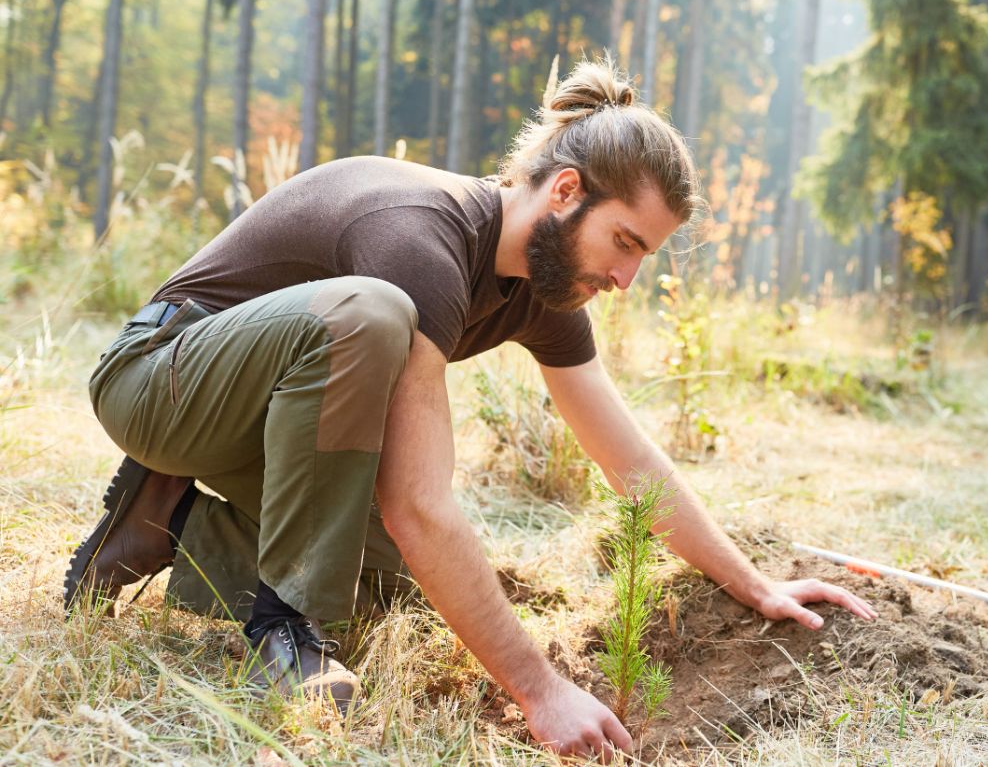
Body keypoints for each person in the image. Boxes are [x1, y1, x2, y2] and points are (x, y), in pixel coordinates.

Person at [64, 59, 876, 761]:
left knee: (398, 589)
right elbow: (420, 503)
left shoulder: (544, 292)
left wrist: (755, 582)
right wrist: (541, 690)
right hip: (159, 382)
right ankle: (287, 632)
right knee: (371, 315)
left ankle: (167, 524)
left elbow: (627, 458)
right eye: (625, 243)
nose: (627, 279)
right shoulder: (421, 239)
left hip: (263, 419)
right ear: (566, 192)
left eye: (643, 258)